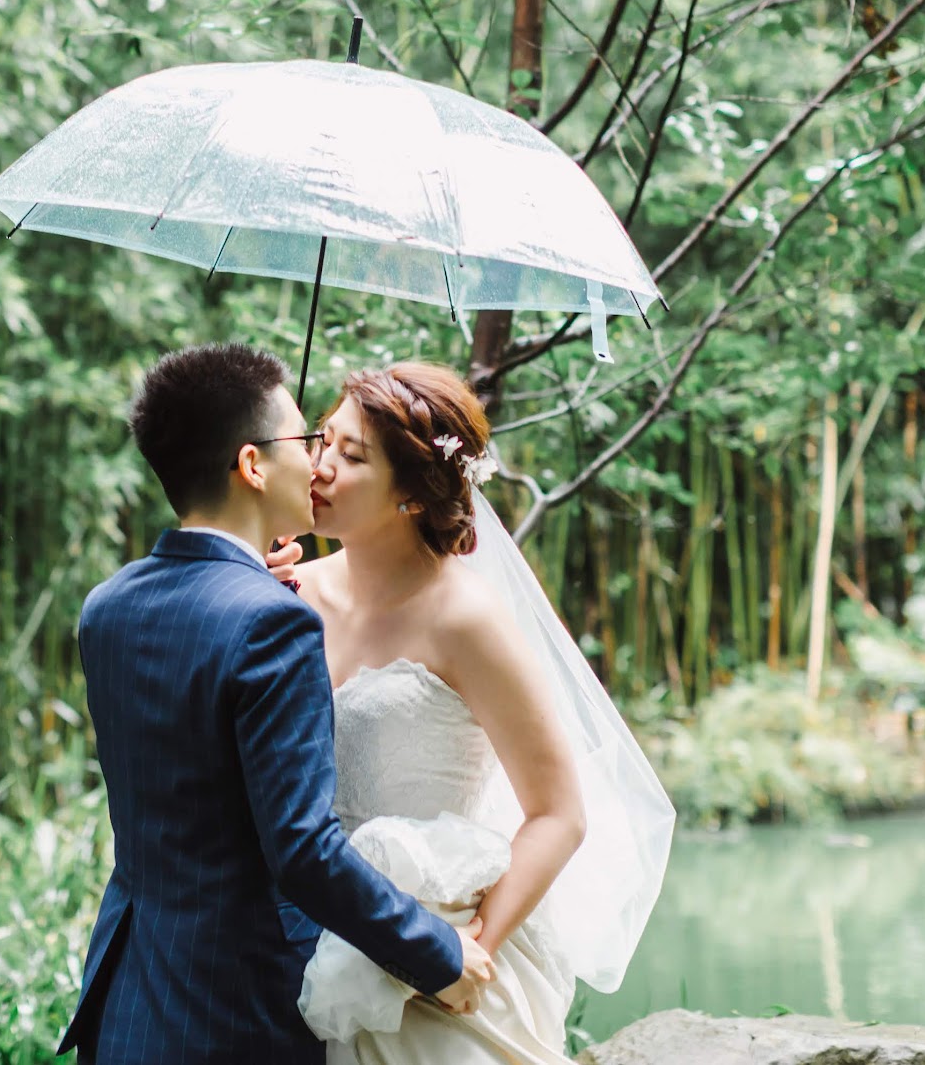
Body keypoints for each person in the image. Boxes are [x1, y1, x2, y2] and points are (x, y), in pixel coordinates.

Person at [58, 343, 495, 1065]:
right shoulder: (275, 621)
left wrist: (247, 584)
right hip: (235, 1011)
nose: (318, 460)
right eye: (306, 440)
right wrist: (437, 953)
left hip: (126, 1000)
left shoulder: (107, 607)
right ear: (253, 465)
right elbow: (303, 852)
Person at [287, 362, 675, 1064]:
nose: (320, 467)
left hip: (441, 938)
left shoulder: (465, 619)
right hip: (308, 938)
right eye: (321, 441)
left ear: (411, 494)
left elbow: (559, 812)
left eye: (351, 457)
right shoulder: (286, 592)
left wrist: (466, 953)